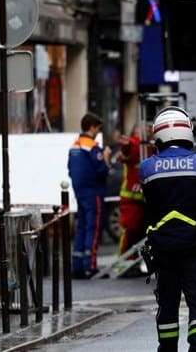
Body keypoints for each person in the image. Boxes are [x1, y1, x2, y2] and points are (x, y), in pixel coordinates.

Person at [139, 106, 196, 352]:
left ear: (158, 135)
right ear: (187, 131)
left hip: (162, 248)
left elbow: (148, 200)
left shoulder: (147, 168)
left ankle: (167, 349)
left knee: (167, 302)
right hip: (195, 246)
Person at [68, 113, 111, 279]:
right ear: (92, 127)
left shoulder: (74, 146)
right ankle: (90, 266)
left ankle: (78, 265)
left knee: (81, 227)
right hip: (94, 193)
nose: (98, 131)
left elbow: (71, 170)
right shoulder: (93, 147)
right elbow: (102, 170)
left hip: (79, 192)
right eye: (98, 128)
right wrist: (106, 158)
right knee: (93, 228)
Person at [117, 125, 146, 258]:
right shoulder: (135, 144)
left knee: (139, 233)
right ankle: (124, 261)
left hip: (142, 199)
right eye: (144, 128)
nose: (148, 130)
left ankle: (132, 260)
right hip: (131, 199)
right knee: (130, 231)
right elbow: (127, 150)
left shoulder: (147, 146)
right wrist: (127, 144)